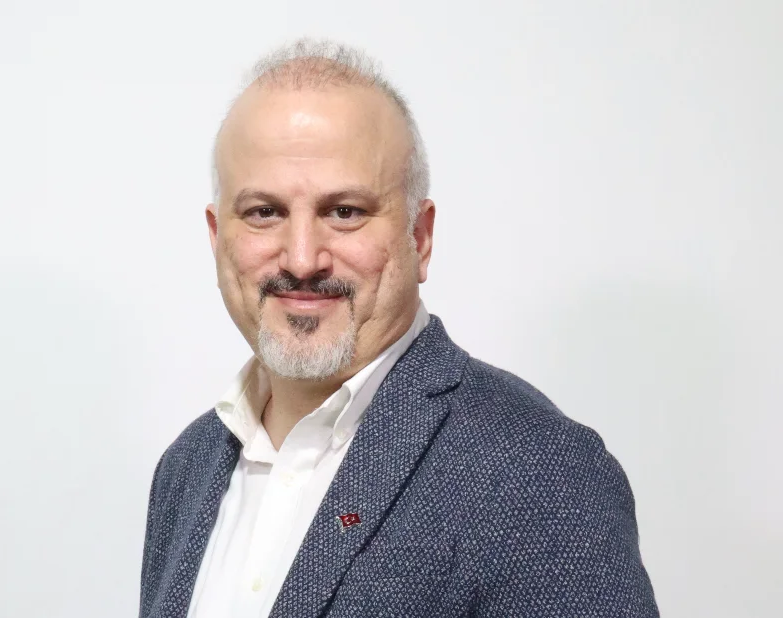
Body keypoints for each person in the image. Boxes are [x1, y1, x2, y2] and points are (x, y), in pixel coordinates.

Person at [139, 38, 658, 618]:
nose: (302, 258)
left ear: (420, 237)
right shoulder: (185, 470)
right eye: (265, 212)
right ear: (218, 240)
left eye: (345, 212)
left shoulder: (539, 472)